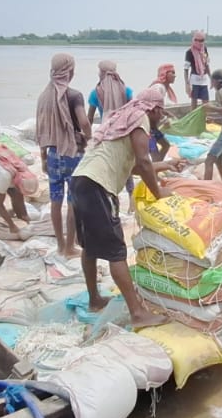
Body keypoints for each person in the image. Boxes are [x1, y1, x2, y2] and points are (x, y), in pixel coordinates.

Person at [70, 87, 178, 329]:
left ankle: (95, 299)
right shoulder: (140, 118)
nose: (161, 117)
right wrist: (158, 193)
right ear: (156, 108)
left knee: (90, 246)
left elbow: (132, 167)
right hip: (98, 186)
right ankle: (138, 313)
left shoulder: (120, 120)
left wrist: (166, 165)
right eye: (161, 112)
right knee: (116, 251)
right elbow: (142, 160)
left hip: (80, 181)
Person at [36, 53, 92, 257]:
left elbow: (42, 128)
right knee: (73, 201)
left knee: (55, 200)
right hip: (72, 153)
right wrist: (89, 139)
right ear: (70, 71)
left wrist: (43, 157)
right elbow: (84, 122)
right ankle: (70, 246)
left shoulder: (44, 96)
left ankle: (60, 244)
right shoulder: (74, 95)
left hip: (52, 154)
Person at [183, 31, 211, 109]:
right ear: (194, 40)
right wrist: (187, 83)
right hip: (194, 80)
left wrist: (211, 78)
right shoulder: (189, 52)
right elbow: (186, 69)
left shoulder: (204, 49)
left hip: (204, 79)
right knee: (194, 102)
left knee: (206, 101)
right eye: (197, 40)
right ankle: (193, 119)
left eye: (201, 40)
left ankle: (205, 119)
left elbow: (207, 65)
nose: (199, 42)